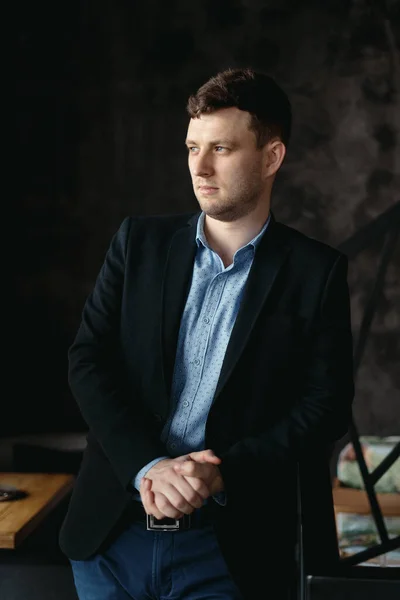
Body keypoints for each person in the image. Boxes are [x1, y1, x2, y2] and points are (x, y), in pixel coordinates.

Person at [59, 67, 354, 600]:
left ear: (272, 158)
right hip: (110, 538)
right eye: (192, 146)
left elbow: (325, 406)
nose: (199, 166)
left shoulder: (317, 272)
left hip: (227, 552)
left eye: (220, 148)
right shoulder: (137, 243)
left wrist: (221, 473)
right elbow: (88, 360)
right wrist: (151, 466)